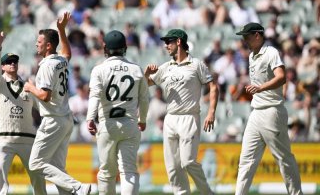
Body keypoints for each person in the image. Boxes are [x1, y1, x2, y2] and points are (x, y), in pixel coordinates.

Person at [23, 12, 91, 195]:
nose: (36, 44)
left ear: (48, 45)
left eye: (39, 42)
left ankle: (78, 187)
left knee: (36, 163)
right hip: (66, 119)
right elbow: (67, 52)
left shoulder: (46, 66)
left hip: (53, 120)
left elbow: (45, 95)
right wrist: (62, 30)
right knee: (58, 169)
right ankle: (75, 189)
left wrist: (30, 87)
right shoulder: (60, 60)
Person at [144, 29, 218, 194]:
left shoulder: (196, 64)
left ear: (179, 42)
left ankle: (207, 192)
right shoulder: (166, 66)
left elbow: (213, 86)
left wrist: (211, 112)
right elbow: (146, 84)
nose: (166, 46)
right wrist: (146, 74)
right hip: (170, 119)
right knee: (173, 167)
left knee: (188, 162)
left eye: (168, 42)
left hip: (189, 117)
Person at [234, 23, 303, 195]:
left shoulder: (271, 52)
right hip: (256, 112)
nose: (244, 40)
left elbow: (281, 78)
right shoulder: (251, 56)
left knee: (283, 159)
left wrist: (260, 88)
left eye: (247, 36)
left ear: (257, 35)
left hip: (272, 111)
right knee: (245, 161)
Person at [86, 30, 149, 195]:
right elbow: (144, 99)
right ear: (125, 47)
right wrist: (142, 119)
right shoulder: (136, 69)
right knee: (128, 171)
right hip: (129, 123)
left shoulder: (99, 70)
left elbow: (94, 96)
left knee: (106, 173)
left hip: (108, 124)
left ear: (105, 48)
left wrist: (90, 118)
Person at [0, 25, 46, 195]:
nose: (12, 64)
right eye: (8, 62)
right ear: (3, 66)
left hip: (27, 139)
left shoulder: (28, 86)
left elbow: (42, 108)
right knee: (0, 184)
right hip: (3, 140)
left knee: (38, 178)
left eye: (15, 61)